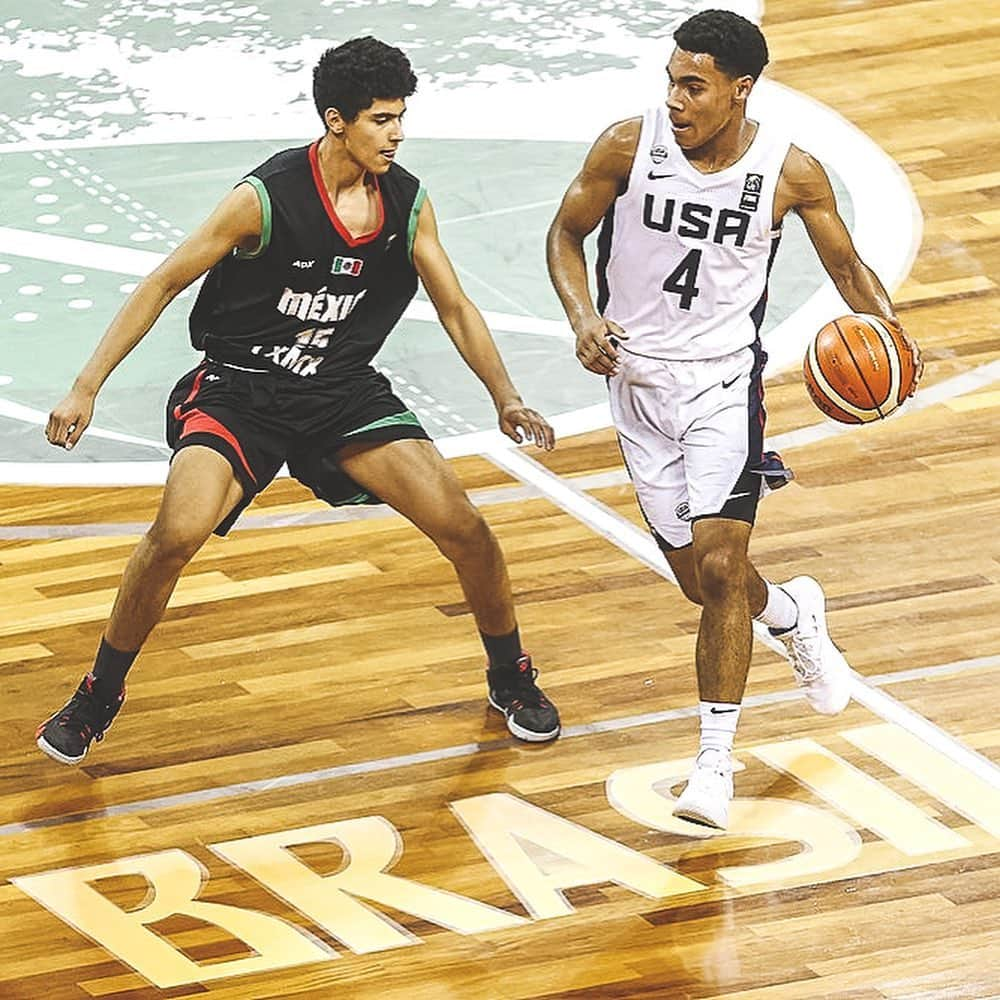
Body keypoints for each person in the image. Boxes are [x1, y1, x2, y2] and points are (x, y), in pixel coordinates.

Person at [37, 36, 561, 763]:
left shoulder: (406, 202)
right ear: (335, 120)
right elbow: (162, 281)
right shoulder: (264, 199)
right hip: (242, 390)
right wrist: (86, 387)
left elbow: (457, 307)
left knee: (466, 528)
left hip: (340, 392)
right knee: (176, 534)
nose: (398, 133)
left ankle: (512, 676)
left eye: (402, 116)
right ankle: (98, 693)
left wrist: (505, 395)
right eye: (381, 119)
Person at [546, 9, 920, 828]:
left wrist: (892, 343)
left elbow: (850, 269)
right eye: (671, 82)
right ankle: (790, 614)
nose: (675, 100)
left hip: (723, 388)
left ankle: (713, 765)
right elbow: (566, 236)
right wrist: (581, 316)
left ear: (739, 90)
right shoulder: (624, 146)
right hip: (637, 387)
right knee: (699, 582)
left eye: (694, 86)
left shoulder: (791, 173)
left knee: (720, 570)